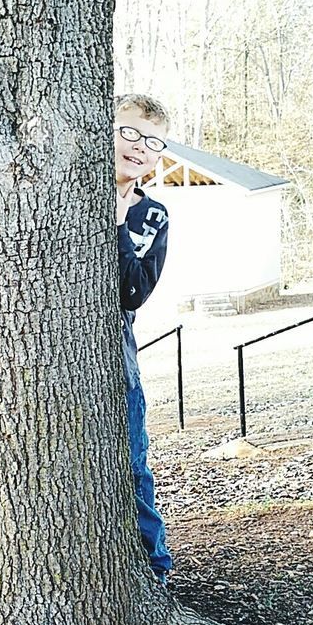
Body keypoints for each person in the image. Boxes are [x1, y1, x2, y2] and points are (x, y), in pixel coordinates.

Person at [114, 93, 173, 581]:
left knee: (133, 464)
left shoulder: (152, 217)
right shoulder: (57, 195)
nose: (139, 147)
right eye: (129, 132)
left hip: (117, 358)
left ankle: (155, 570)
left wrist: (116, 224)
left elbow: (133, 292)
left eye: (152, 141)